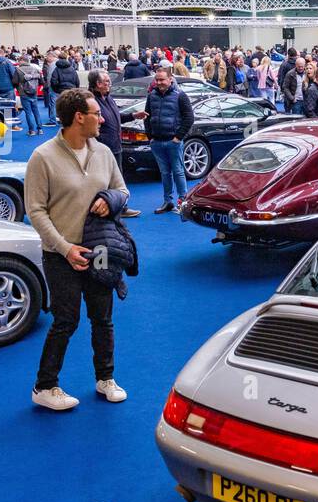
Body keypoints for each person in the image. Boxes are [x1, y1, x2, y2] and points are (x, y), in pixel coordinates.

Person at [24, 87, 131, 412]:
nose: (103, 118)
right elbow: (35, 210)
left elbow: (122, 191)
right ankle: (45, 387)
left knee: (103, 319)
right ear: (78, 118)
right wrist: (65, 247)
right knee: (65, 321)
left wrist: (109, 200)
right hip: (60, 255)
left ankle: (105, 379)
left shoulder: (103, 152)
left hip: (99, 249)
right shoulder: (42, 157)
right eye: (96, 113)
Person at [88, 69, 141, 218]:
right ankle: (107, 209)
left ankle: (120, 207)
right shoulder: (91, 101)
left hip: (116, 146)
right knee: (103, 180)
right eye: (106, 82)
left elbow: (116, 117)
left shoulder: (108, 98)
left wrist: (133, 116)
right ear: (97, 84)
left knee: (118, 179)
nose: (109, 84)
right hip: (102, 148)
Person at [143, 67, 195, 213]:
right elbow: (147, 116)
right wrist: (150, 137)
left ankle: (182, 201)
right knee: (165, 173)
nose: (159, 82)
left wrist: (178, 137)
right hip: (157, 142)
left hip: (173, 142)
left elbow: (189, 118)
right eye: (157, 80)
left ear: (170, 79)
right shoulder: (151, 95)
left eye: (162, 79)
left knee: (178, 171)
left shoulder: (180, 95)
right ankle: (168, 201)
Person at [14, 55, 45, 137]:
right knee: (36, 111)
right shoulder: (35, 69)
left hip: (24, 93)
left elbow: (14, 82)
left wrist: (19, 87)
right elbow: (42, 81)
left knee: (28, 112)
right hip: (34, 92)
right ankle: (40, 129)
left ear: (22, 61)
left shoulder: (18, 70)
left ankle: (32, 131)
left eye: (19, 60)